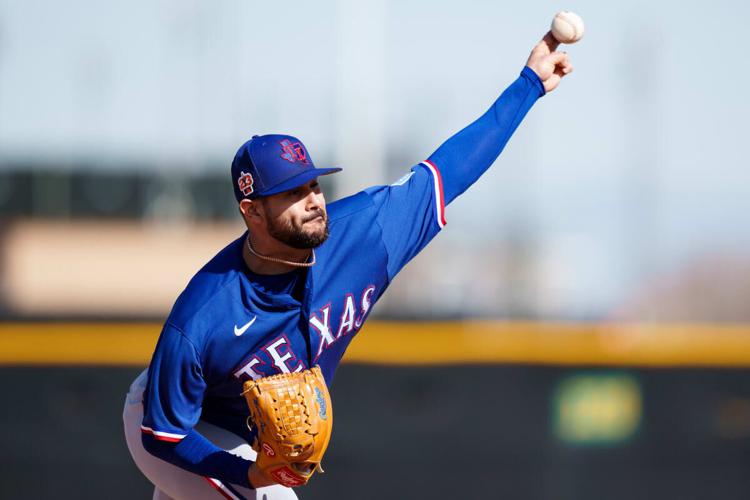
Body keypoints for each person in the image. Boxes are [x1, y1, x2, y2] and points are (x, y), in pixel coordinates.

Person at [123, 32, 574, 499]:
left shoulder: (365, 232)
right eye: (292, 194)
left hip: (238, 436)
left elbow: (451, 168)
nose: (313, 201)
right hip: (181, 425)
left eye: (313, 185)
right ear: (252, 211)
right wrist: (248, 475)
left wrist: (529, 84)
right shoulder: (205, 314)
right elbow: (165, 434)